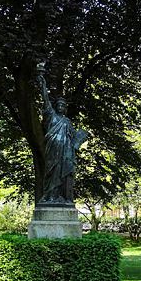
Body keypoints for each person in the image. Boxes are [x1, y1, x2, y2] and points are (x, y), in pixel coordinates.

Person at [37, 66, 88, 204]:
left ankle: (60, 197)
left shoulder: (67, 121)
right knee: (51, 172)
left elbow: (73, 138)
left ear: (65, 108)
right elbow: (45, 99)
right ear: (55, 106)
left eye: (63, 105)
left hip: (65, 152)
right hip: (52, 150)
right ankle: (49, 196)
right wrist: (42, 82)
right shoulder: (51, 115)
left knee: (63, 173)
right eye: (58, 104)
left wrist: (80, 138)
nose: (60, 106)